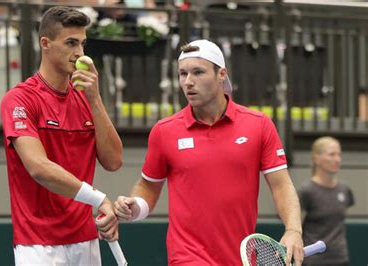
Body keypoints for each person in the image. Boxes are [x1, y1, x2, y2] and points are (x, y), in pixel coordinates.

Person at [114, 39, 304, 265]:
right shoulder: (164, 131)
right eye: (183, 74)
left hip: (240, 258)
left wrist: (294, 229)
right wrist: (137, 206)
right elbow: (148, 187)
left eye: (198, 72)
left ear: (221, 74)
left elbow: (281, 185)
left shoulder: (259, 124)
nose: (188, 82)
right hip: (187, 257)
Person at [0, 6, 123, 265]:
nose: (79, 53)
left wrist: (95, 99)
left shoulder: (87, 99)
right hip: (38, 245)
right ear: (46, 43)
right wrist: (99, 199)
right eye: (70, 43)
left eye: (82, 44)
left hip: (86, 241)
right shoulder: (19, 99)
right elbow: (39, 168)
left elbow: (113, 161)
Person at [298, 136, 354, 266]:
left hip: (340, 259)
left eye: (339, 155)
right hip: (313, 261)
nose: (337, 159)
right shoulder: (307, 191)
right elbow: (296, 228)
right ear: (316, 158)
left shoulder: (345, 190)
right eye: (331, 155)